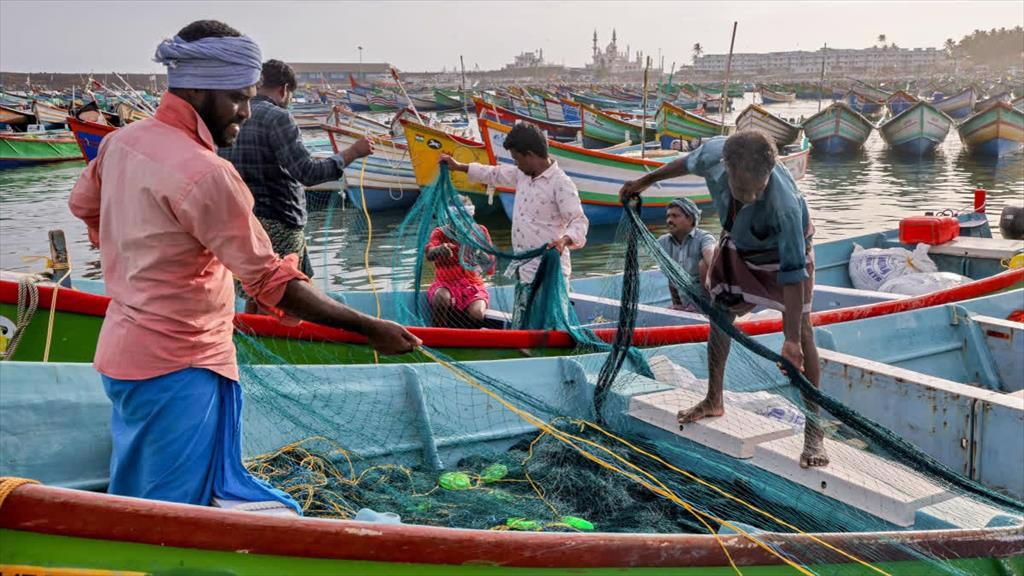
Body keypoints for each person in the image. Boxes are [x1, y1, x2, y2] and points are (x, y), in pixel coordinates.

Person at [68, 20, 421, 512]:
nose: (247, 112)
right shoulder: (207, 173)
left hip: (123, 354)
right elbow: (273, 282)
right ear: (194, 87)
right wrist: (369, 327)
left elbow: (84, 205)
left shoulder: (121, 142)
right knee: (174, 515)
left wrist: (138, 257)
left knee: (138, 490)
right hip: (181, 363)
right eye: (237, 98)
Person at [619, 131, 828, 468]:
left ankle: (814, 432)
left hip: (785, 253)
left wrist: (789, 342)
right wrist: (645, 181)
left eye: (760, 189)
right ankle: (713, 399)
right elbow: (685, 164)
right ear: (726, 169)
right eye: (744, 190)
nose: (753, 196)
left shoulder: (785, 206)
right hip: (740, 242)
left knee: (803, 330)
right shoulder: (714, 155)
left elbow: (793, 277)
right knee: (719, 312)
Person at [219, 59, 373, 311]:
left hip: (242, 222)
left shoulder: (230, 117)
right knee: (281, 294)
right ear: (284, 90)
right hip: (278, 221)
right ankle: (288, 343)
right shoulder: (278, 118)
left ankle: (261, 340)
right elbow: (308, 173)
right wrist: (351, 153)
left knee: (257, 291)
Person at [439, 123, 589, 329]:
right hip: (524, 268)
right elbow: (494, 174)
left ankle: (547, 356)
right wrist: (459, 167)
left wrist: (564, 240)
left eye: (517, 159)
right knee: (525, 325)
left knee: (549, 326)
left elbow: (579, 221)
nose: (516, 164)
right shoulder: (522, 175)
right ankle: (525, 350)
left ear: (530, 155)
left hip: (549, 271)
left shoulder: (560, 183)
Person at [425, 195, 495, 328]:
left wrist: (479, 253)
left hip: (473, 285)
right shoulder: (440, 233)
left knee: (477, 313)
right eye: (455, 218)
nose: (460, 222)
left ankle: (468, 338)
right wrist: (439, 249)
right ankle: (439, 331)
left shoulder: (480, 231)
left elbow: (490, 267)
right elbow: (429, 254)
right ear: (448, 217)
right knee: (441, 298)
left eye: (464, 217)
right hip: (445, 284)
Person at [656, 197, 715, 311]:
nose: (669, 220)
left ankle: (706, 306)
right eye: (668, 216)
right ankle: (682, 305)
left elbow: (712, 261)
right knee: (670, 267)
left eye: (675, 216)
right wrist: (677, 303)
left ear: (690, 219)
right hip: (686, 302)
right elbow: (671, 276)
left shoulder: (704, 238)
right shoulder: (663, 242)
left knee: (704, 265)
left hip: (711, 300)